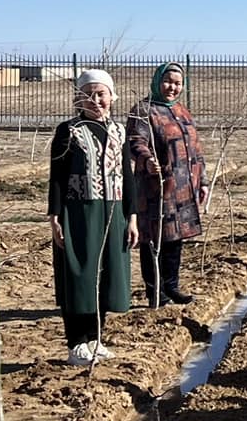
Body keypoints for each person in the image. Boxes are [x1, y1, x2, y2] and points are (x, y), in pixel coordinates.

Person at [48, 70, 141, 364]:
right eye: (88, 94)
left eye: (101, 94)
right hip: (79, 212)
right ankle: (76, 343)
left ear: (112, 97)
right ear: (78, 98)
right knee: (80, 275)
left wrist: (133, 216)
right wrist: (54, 216)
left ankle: (96, 338)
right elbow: (57, 177)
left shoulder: (118, 131)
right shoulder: (68, 130)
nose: (96, 100)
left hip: (113, 212)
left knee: (106, 275)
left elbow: (128, 176)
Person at [128, 62, 208, 305]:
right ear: (157, 81)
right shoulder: (143, 110)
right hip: (157, 187)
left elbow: (195, 148)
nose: (172, 87)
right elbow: (134, 142)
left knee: (175, 237)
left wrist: (202, 180)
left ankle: (171, 286)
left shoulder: (182, 111)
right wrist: (147, 160)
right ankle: (155, 291)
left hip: (184, 187)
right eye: (168, 81)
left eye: (177, 83)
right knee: (153, 237)